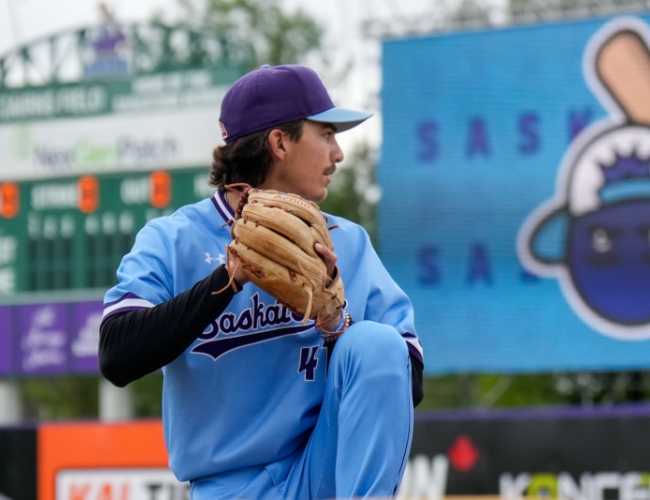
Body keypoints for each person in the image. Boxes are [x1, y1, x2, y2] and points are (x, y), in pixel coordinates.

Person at [99, 64, 424, 500]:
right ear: (279, 143)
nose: (338, 153)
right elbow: (116, 354)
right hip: (228, 486)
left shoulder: (345, 241)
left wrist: (335, 321)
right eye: (326, 134)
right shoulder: (174, 239)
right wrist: (228, 280)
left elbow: (405, 378)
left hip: (321, 468)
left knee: (376, 342)